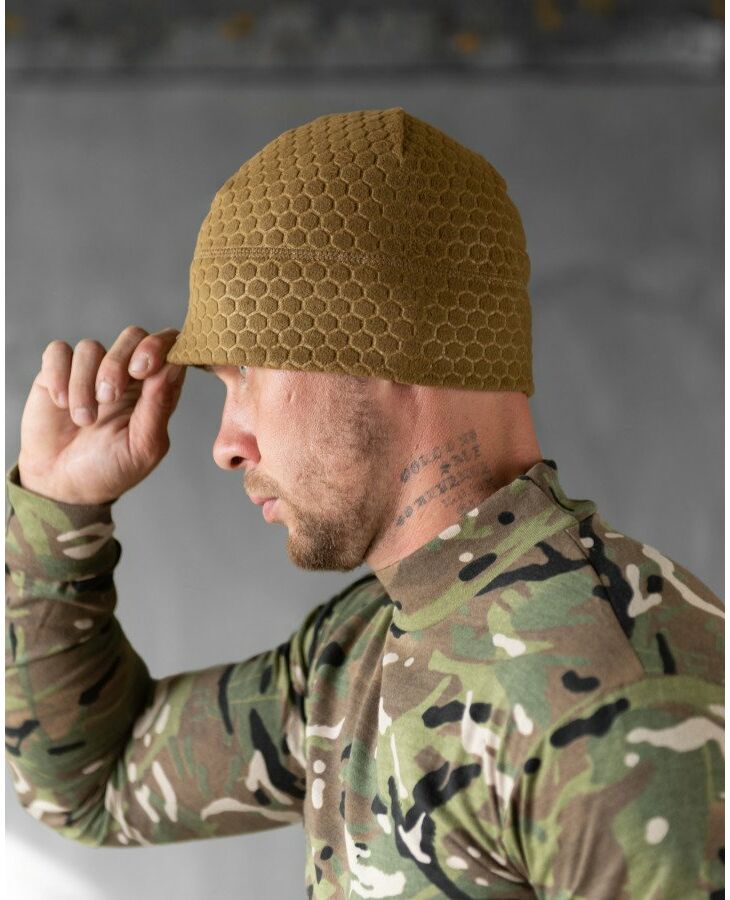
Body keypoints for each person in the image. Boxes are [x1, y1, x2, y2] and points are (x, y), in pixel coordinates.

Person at [6, 108, 724, 898]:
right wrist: (59, 506)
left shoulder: (626, 705)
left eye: (248, 373)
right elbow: (93, 782)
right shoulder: (357, 649)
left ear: (385, 341)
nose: (226, 444)